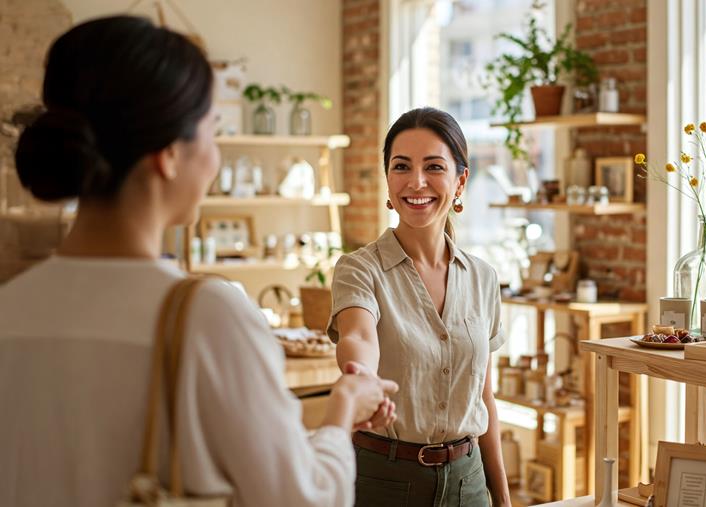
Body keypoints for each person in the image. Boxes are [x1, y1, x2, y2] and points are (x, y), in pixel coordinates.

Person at [0, 16, 397, 507]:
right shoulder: (207, 315)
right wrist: (342, 412)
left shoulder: (11, 307)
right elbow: (301, 499)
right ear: (168, 154)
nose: (215, 160)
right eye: (212, 132)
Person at [328, 107, 511, 507]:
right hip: (384, 481)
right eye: (401, 167)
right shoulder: (359, 269)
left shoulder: (482, 277)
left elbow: (484, 400)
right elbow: (359, 336)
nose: (416, 182)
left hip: (470, 482)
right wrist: (360, 375)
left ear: (460, 180)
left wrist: (503, 499)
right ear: (388, 180)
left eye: (433, 166)